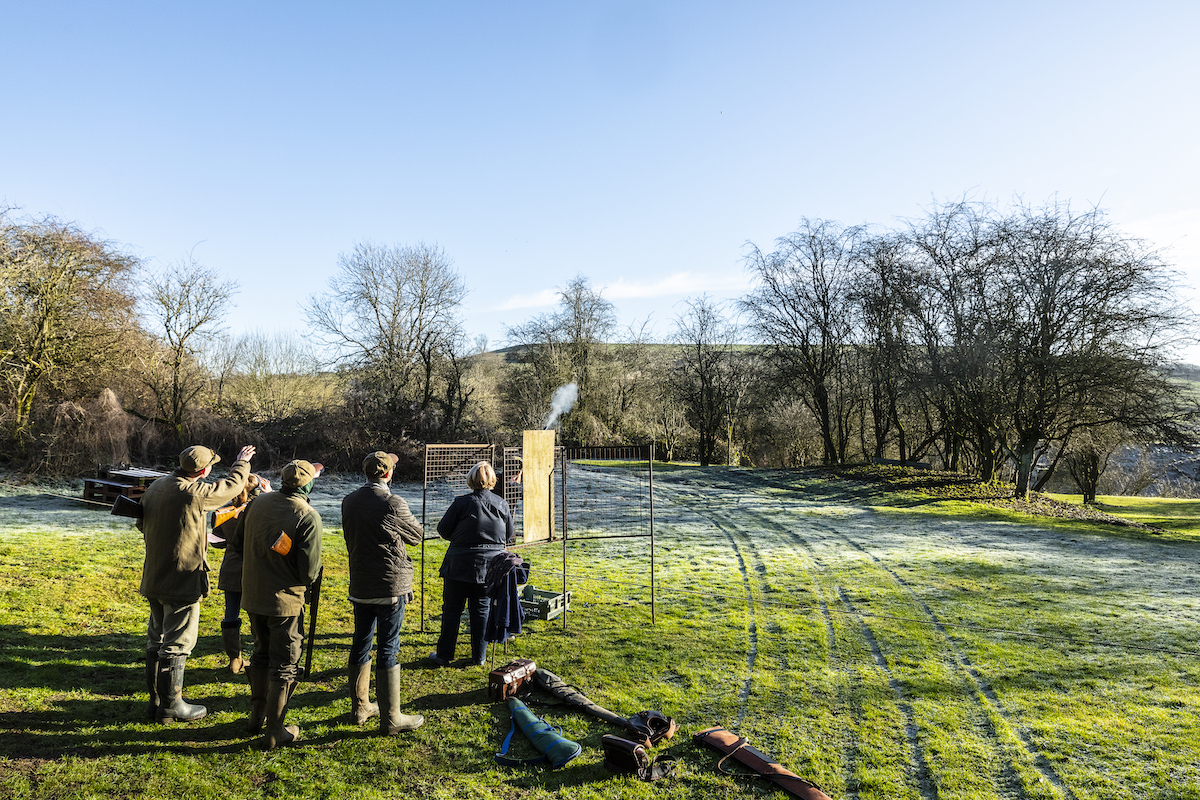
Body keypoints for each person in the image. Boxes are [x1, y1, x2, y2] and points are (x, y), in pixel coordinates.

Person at [139, 443, 255, 723]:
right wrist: (242, 462)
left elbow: (142, 524)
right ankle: (172, 706)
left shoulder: (156, 486)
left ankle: (156, 702)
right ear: (203, 470)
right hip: (181, 577)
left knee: (157, 640)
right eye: (210, 466)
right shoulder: (194, 493)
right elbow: (231, 486)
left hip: (154, 574)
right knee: (177, 643)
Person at [230, 459, 323, 750]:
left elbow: (237, 542)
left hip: (253, 595)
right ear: (308, 484)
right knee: (284, 663)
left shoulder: (256, 504)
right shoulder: (307, 515)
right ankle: (274, 730)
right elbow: (308, 572)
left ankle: (255, 717)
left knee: (259, 654)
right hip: (285, 602)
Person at [341, 451, 426, 734]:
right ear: (388, 474)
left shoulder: (348, 501)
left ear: (364, 472)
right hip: (389, 585)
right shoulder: (392, 502)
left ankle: (360, 706)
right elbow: (416, 535)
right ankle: (392, 718)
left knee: (361, 641)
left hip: (361, 583)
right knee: (388, 646)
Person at [429, 461, 515, 668]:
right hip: (490, 567)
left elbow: (443, 530)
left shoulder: (461, 503)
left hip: (459, 564)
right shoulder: (502, 504)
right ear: (492, 480)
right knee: (482, 611)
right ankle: (480, 656)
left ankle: (444, 655)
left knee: (452, 610)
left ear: (470, 480)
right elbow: (509, 534)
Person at [210, 474, 269, 674]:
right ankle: (259, 657)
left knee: (230, 615)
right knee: (258, 616)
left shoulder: (229, 512)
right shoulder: (261, 511)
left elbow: (218, 541)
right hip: (255, 570)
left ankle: (234, 659)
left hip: (231, 568)